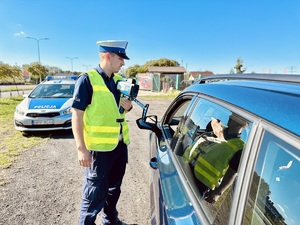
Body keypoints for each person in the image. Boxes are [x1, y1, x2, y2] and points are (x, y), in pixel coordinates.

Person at [71, 40, 133, 225]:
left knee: (114, 190)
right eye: (121, 58)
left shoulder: (119, 81)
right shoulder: (87, 79)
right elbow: (77, 114)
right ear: (108, 56)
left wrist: (127, 107)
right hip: (99, 150)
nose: (123, 62)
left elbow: (118, 110)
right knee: (94, 193)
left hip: (119, 145)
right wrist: (81, 149)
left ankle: (110, 220)